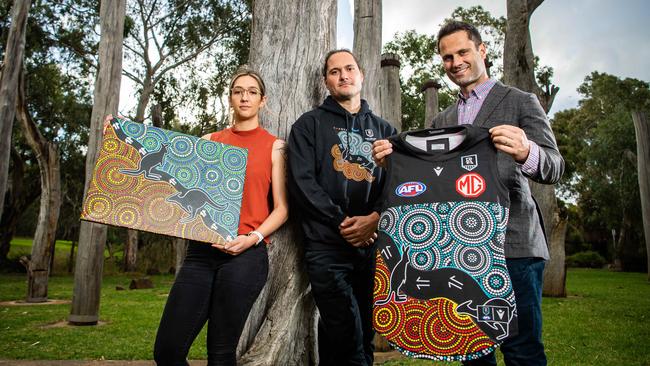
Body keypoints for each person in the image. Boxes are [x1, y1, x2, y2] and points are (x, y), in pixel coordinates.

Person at [373, 21, 564, 366]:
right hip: (461, 249)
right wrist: (394, 164)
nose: (455, 62)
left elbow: (555, 166)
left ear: (482, 51)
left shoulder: (521, 102)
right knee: (473, 350)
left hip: (514, 245)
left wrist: (526, 151)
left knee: (523, 349)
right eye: (447, 57)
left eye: (462, 52)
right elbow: (431, 183)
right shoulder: (442, 119)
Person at [153, 67, 288, 365]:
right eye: (238, 91)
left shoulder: (274, 147)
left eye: (252, 92)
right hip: (201, 253)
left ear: (262, 101)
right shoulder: (209, 141)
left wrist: (252, 238)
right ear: (229, 98)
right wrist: (119, 135)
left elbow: (282, 209)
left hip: (246, 254)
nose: (245, 97)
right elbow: (170, 177)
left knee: (221, 353)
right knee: (167, 351)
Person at [287, 49, 397, 365]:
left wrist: (374, 219)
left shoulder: (385, 131)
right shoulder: (308, 126)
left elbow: (397, 185)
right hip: (326, 245)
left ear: (361, 75)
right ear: (326, 81)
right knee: (344, 326)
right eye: (335, 72)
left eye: (349, 69)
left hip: (373, 245)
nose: (343, 76)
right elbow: (302, 184)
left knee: (363, 328)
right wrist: (344, 223)